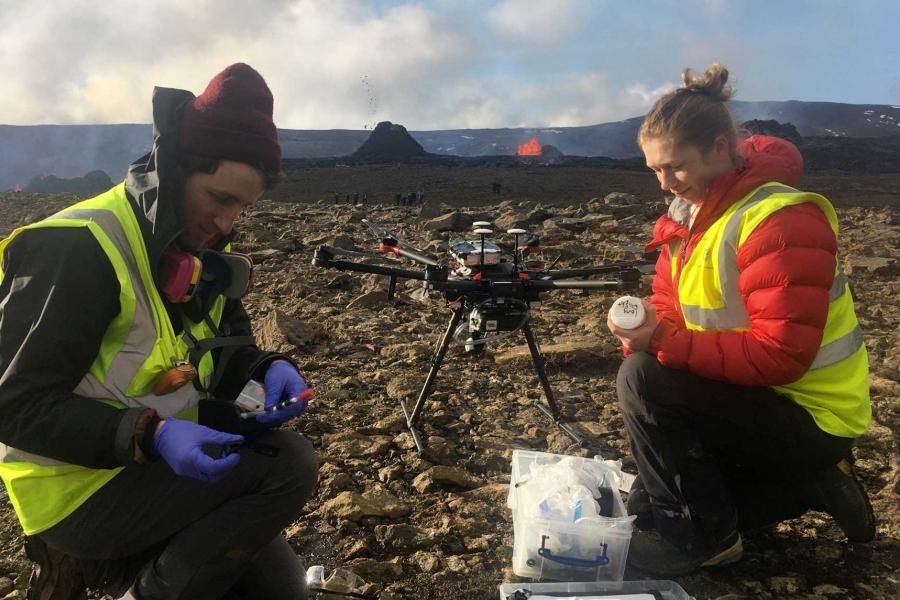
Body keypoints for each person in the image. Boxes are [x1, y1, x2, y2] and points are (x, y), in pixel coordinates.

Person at [0, 63, 319, 599]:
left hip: (156, 470)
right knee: (288, 465)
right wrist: (153, 434)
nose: (227, 224)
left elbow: (227, 343)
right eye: (220, 198)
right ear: (175, 169)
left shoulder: (193, 244)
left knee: (277, 592)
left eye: (243, 206)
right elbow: (13, 404)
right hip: (78, 492)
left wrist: (267, 369)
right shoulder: (79, 249)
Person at [607, 64, 874, 577]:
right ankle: (808, 485)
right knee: (643, 511)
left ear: (720, 149)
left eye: (675, 167)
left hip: (812, 414)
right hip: (750, 399)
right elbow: (668, 305)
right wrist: (643, 331)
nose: (664, 184)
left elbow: (781, 355)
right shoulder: (690, 221)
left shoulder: (778, 220)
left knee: (644, 381)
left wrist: (658, 344)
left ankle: (705, 542)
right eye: (654, 171)